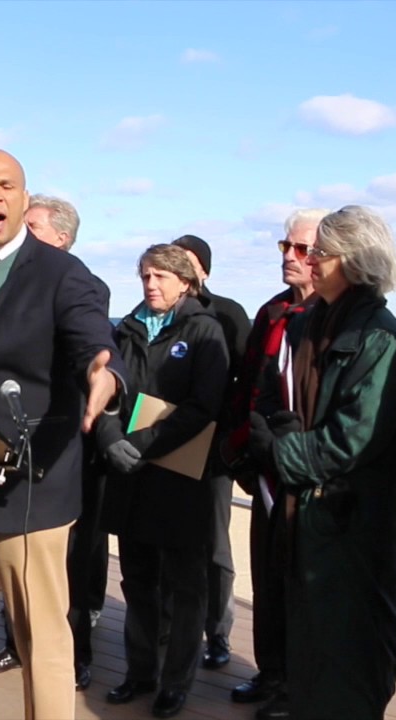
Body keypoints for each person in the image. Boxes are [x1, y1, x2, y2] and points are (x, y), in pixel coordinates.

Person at [0, 149, 124, 720]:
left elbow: (92, 337)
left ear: (23, 198)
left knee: (41, 638)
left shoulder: (63, 273)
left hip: (29, 484)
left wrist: (105, 372)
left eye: (6, 186)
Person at [245, 205, 396, 720]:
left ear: (356, 260)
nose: (310, 260)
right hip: (305, 519)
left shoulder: (381, 337)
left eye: (321, 252)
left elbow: (353, 438)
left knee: (353, 658)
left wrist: (279, 452)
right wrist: (268, 432)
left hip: (354, 527)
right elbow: (270, 393)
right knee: (309, 652)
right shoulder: (303, 326)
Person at [99, 243, 228, 719]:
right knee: (137, 581)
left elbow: (204, 405)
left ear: (185, 283)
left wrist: (144, 443)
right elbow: (105, 390)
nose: (151, 285)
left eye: (161, 277)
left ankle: (176, 682)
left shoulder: (204, 330)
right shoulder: (125, 329)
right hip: (129, 475)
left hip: (179, 476)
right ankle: (140, 671)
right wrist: (111, 439)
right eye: (146, 276)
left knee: (186, 586)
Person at [0, 193, 110, 690]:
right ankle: (15, 644)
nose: (23, 231)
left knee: (70, 565)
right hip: (8, 450)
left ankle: (76, 656)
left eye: (33, 225)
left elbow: (92, 348)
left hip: (61, 450)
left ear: (61, 237)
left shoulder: (80, 283)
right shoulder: (2, 281)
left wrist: (104, 371)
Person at [220, 208, 327, 720]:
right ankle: (272, 671)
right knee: (266, 576)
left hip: (306, 468)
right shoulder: (272, 311)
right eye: (286, 246)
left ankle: (297, 684)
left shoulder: (330, 314)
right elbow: (247, 382)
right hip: (262, 463)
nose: (290, 256)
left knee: (301, 582)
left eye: (302, 249)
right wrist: (240, 449)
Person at [170, 234, 250, 671]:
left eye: (186, 262)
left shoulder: (228, 313)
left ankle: (218, 634)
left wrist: (229, 438)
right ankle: (166, 626)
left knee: (215, 545)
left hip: (213, 446)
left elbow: (247, 378)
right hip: (165, 444)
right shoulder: (159, 313)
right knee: (165, 541)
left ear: (202, 268)